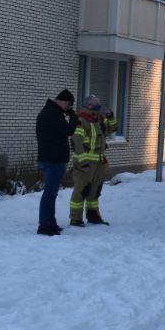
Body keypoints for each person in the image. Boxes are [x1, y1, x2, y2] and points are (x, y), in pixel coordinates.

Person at [35, 89, 78, 236]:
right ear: (64, 102)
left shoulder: (51, 112)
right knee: (49, 193)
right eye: (69, 106)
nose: (68, 109)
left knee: (52, 193)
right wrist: (73, 118)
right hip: (53, 159)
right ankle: (44, 226)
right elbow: (68, 131)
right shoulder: (52, 113)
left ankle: (50, 223)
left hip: (52, 158)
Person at [69, 95, 117, 227]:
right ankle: (75, 219)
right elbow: (77, 141)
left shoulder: (99, 119)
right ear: (89, 105)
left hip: (98, 162)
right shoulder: (81, 120)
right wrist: (83, 161)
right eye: (96, 103)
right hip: (85, 163)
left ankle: (93, 216)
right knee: (81, 190)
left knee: (94, 190)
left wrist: (110, 116)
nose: (99, 105)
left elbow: (113, 128)